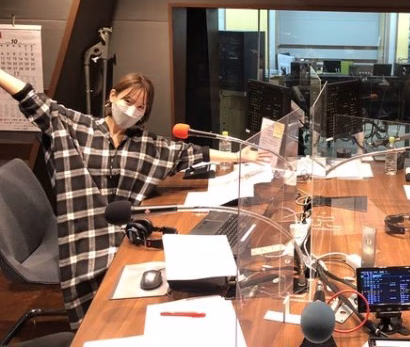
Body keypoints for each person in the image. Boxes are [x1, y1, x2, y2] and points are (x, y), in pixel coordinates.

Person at [0, 68, 268, 329]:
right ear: (112, 96)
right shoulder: (76, 126)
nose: (132, 111)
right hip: (84, 234)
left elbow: (190, 153)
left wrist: (239, 156)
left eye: (140, 107)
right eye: (127, 101)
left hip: (124, 234)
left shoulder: (147, 145)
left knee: (159, 282)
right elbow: (30, 97)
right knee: (114, 314)